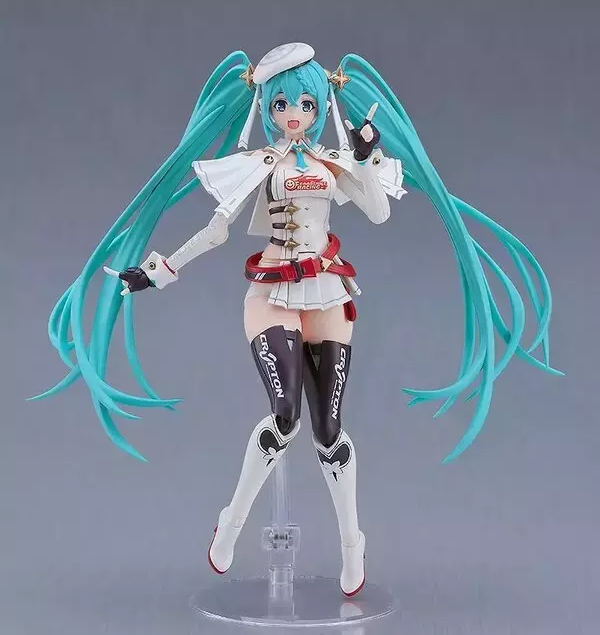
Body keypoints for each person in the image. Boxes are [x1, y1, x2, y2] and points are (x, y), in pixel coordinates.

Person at [35, 43, 560, 597]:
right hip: (272, 293)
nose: (294, 114)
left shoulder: (332, 162)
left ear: (320, 106)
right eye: (282, 104)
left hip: (328, 293)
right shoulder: (261, 164)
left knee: (328, 431)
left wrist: (364, 157)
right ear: (267, 107)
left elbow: (379, 212)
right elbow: (217, 230)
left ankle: (353, 543)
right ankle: (232, 522)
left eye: (306, 104)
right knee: (284, 416)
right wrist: (158, 270)